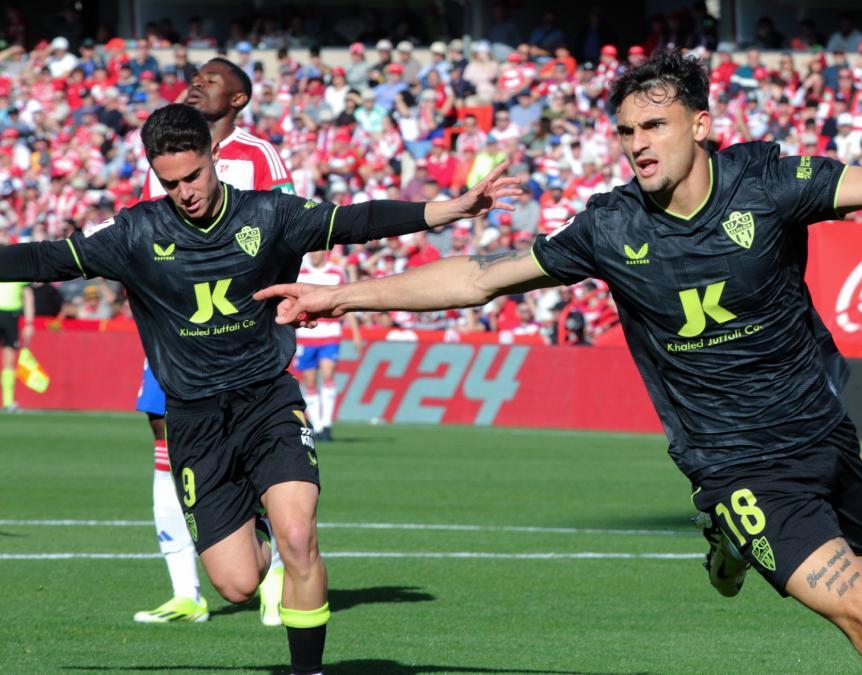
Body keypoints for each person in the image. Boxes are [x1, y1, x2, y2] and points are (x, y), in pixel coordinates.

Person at [258, 52, 862, 674]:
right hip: (737, 462)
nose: (637, 143)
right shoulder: (610, 224)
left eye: (655, 125)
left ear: (701, 125)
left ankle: (728, 545)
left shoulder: (767, 183)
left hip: (825, 438)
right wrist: (343, 296)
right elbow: (484, 276)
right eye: (625, 131)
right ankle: (729, 519)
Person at [0, 104, 519, 675]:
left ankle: (307, 670)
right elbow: (46, 259)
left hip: (267, 399)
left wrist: (450, 208)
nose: (184, 192)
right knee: (238, 585)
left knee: (300, 538)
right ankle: (258, 517)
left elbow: (356, 221)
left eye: (192, 177)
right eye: (170, 183)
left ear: (214, 159)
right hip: (195, 421)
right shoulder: (134, 232)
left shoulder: (269, 214)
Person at [135, 57, 297, 627]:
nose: (198, 81)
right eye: (196, 75)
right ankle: (186, 590)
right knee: (163, 430)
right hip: (176, 327)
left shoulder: (259, 156)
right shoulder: (162, 150)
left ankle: (276, 565)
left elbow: (289, 228)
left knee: (257, 442)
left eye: (213, 79)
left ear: (238, 100)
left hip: (241, 331)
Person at [294, 250, 361, 442]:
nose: (313, 255)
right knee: (310, 381)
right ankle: (318, 424)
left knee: (328, 375)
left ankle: (327, 424)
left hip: (330, 334)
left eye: (316, 251)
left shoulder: (336, 272)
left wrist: (356, 334)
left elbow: (347, 304)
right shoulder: (301, 273)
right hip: (306, 335)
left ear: (325, 252)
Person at [0, 270, 34, 412]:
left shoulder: (15, 263)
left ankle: (8, 402)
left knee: (9, 360)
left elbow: (27, 296)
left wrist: (29, 323)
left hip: (10, 315)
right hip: (9, 316)